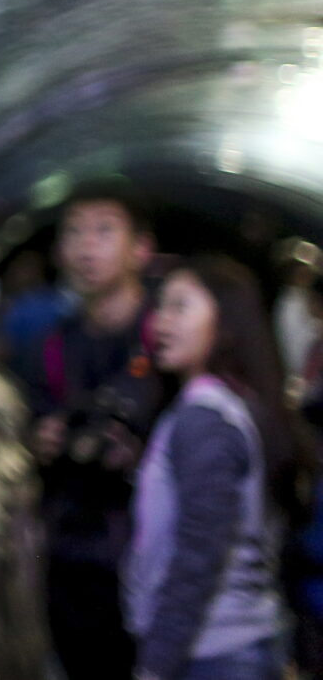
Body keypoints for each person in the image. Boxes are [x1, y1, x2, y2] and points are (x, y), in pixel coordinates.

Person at [15, 183, 166, 680]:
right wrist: (44, 441)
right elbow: (34, 428)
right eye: (74, 232)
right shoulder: (51, 349)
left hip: (158, 558)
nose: (86, 247)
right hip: (77, 557)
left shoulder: (170, 342)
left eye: (104, 230)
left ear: (140, 248)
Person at [127, 255, 302, 680]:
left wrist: (156, 664)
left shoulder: (204, 418)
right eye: (160, 306)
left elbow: (199, 555)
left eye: (180, 306)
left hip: (213, 654)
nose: (161, 321)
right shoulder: (231, 403)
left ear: (224, 324)